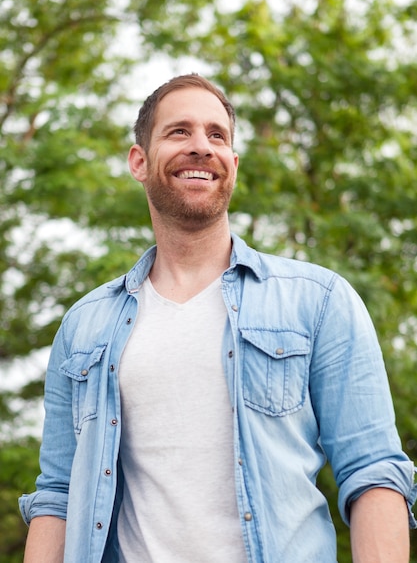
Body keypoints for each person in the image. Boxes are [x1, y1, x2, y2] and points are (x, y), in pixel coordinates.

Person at [20, 74, 416, 563]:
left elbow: (373, 473)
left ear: (232, 163)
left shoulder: (318, 301)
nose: (201, 147)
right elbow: (58, 495)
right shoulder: (83, 327)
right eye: (179, 132)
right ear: (139, 162)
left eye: (217, 135)